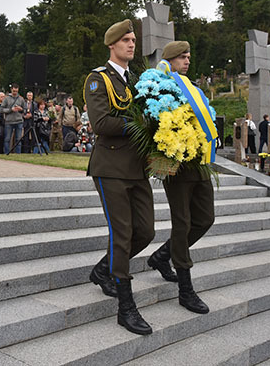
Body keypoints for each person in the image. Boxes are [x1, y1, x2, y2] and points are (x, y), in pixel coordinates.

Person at [84, 19, 155, 335]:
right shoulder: (98, 80)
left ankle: (102, 269)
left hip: (137, 168)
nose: (131, 44)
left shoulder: (139, 82)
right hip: (110, 167)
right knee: (123, 233)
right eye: (125, 39)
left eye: (133, 39)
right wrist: (139, 127)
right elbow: (101, 123)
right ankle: (126, 308)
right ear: (112, 44)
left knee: (146, 231)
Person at [146, 40, 216, 315]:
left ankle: (162, 256)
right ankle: (186, 290)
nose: (187, 61)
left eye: (189, 56)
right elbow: (153, 122)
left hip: (198, 162)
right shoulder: (160, 86)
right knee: (182, 222)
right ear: (171, 60)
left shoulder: (194, 89)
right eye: (182, 57)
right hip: (175, 165)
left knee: (205, 219)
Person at [0, 84, 26, 154]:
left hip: (19, 121)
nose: (15, 92)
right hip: (9, 121)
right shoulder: (6, 98)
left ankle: (18, 153)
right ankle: (6, 153)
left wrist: (21, 109)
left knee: (18, 139)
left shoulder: (21, 99)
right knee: (7, 139)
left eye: (16, 91)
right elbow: (1, 109)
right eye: (14, 91)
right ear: (11, 90)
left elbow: (25, 110)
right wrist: (10, 109)